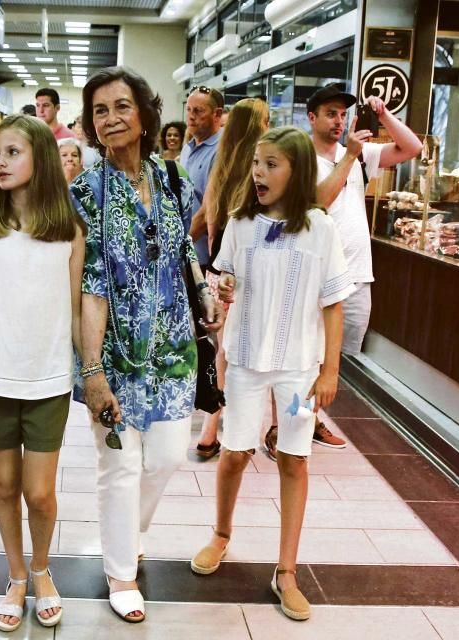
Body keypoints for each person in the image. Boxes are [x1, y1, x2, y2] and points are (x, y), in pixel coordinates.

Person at [71, 66, 223, 623]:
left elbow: (183, 249)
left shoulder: (173, 178)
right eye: (100, 111)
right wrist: (91, 370)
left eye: (120, 107)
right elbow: (88, 286)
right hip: (112, 353)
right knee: (119, 466)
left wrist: (204, 291)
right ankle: (120, 570)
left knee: (164, 458)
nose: (110, 119)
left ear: (144, 116)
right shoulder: (85, 192)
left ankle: (126, 530)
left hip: (174, 349)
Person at [190, 126, 356, 622]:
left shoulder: (319, 227)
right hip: (244, 364)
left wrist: (330, 370)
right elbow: (225, 280)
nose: (259, 173)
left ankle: (286, 571)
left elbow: (333, 306)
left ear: (297, 169)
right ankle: (221, 534)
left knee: (294, 460)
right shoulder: (241, 224)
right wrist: (222, 296)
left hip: (299, 373)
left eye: (272, 164)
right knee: (235, 454)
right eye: (257, 163)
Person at [0, 114, 85, 632]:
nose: (1, 162)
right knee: (5, 487)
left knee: (39, 492)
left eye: (13, 152)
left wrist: (93, 374)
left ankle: (42, 569)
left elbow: (77, 309)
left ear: (41, 158)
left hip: (50, 381)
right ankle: (15, 576)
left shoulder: (68, 234)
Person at [262, 83, 422, 457]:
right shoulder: (298, 158)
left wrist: (383, 116)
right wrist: (349, 157)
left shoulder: (361, 153)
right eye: (331, 113)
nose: (339, 120)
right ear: (312, 117)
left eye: (343, 114)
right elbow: (316, 202)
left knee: (334, 359)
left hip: (355, 274)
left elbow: (412, 148)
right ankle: (280, 427)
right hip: (310, 275)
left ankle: (308, 418)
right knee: (300, 354)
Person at [189, 98, 270, 460]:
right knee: (258, 351)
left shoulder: (219, 168)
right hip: (258, 274)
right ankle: (253, 425)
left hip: (220, 271)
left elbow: (206, 224)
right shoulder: (264, 171)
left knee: (222, 351)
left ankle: (210, 428)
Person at [181, 86, 224, 274]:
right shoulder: (187, 148)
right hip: (185, 252)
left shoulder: (222, 151)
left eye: (198, 111)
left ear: (217, 114)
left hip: (202, 259)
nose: (191, 116)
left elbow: (209, 211)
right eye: (189, 109)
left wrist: (180, 250)